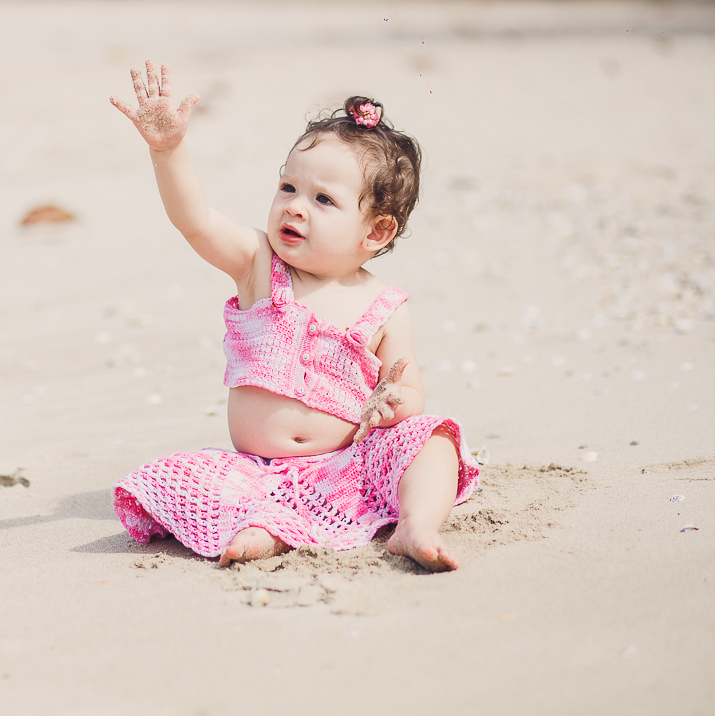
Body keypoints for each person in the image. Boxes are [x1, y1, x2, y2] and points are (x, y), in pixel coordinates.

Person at [109, 62, 479, 572]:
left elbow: (409, 390)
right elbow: (195, 221)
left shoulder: (385, 307)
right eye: (288, 187)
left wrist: (393, 405)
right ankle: (265, 531)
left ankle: (417, 525)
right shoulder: (258, 265)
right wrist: (168, 151)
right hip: (254, 470)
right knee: (183, 475)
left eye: (323, 199)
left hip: (347, 468)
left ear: (376, 231)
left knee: (433, 439)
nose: (295, 207)